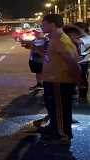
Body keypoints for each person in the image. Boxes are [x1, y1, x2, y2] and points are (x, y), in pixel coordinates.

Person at [39, 14, 85, 144]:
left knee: (59, 109)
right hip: (53, 81)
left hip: (59, 81)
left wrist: (78, 81)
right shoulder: (54, 38)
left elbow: (71, 62)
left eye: (44, 23)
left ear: (52, 25)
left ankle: (62, 135)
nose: (42, 26)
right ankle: (55, 128)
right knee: (54, 108)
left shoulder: (61, 39)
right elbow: (51, 58)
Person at [73, 22, 90, 103]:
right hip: (74, 60)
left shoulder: (87, 37)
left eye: (76, 29)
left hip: (83, 61)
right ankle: (74, 92)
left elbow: (78, 42)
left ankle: (83, 96)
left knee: (82, 78)